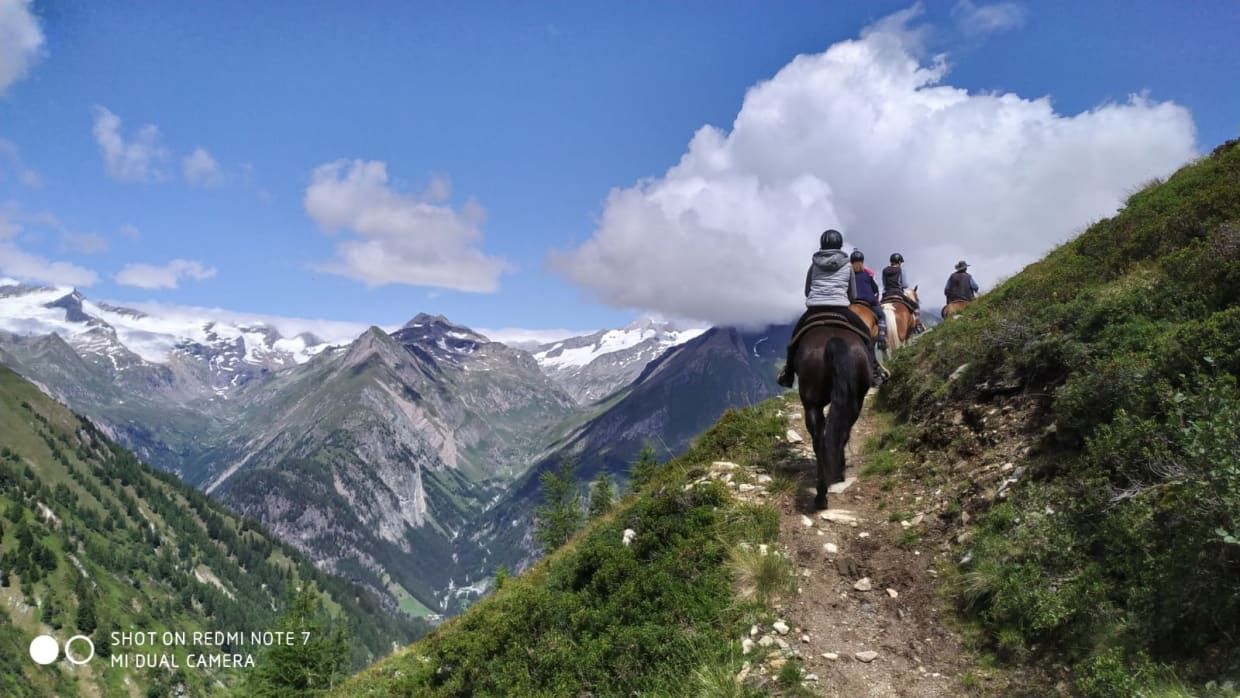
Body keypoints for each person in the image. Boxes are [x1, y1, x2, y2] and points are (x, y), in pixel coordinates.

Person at [777, 229, 856, 388]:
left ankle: (788, 374)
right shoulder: (848, 266)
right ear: (840, 245)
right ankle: (874, 368)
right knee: (865, 335)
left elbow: (807, 291)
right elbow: (853, 294)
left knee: (793, 342)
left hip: (815, 308)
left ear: (822, 244)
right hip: (841, 308)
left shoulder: (813, 266)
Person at [850, 250, 888, 386]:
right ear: (862, 262)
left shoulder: (849, 275)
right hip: (868, 303)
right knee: (882, 316)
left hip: (853, 303)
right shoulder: (867, 274)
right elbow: (875, 289)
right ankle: (882, 338)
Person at [881, 252, 923, 334]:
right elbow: (904, 284)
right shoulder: (901, 270)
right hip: (898, 293)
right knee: (915, 306)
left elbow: (884, 283)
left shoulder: (884, 270)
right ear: (899, 262)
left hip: (886, 294)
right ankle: (918, 325)